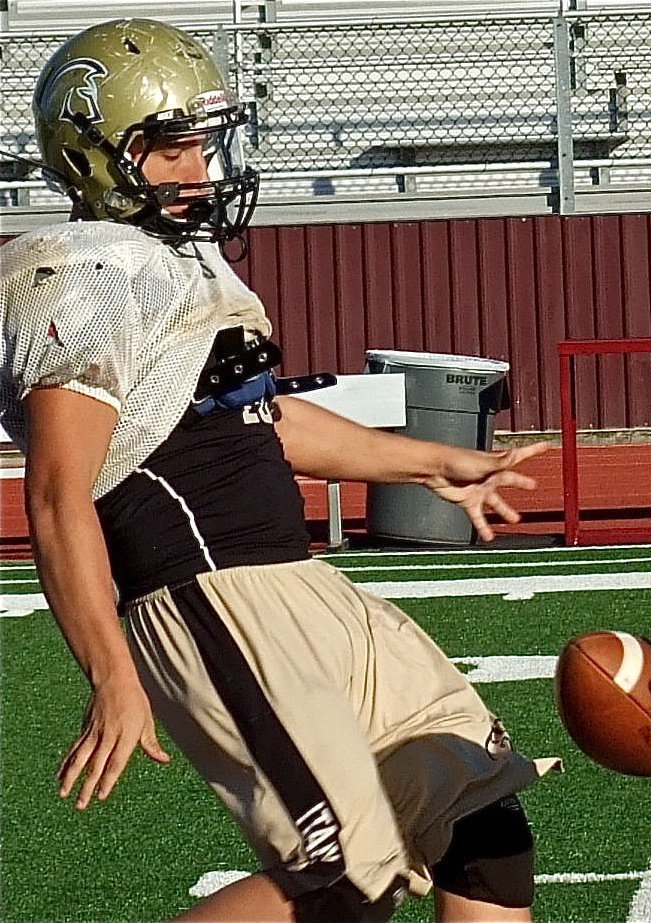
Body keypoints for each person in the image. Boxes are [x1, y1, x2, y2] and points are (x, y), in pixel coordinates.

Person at [0, 19, 560, 923]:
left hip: (302, 582)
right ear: (101, 154)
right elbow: (61, 491)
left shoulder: (178, 265)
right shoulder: (83, 275)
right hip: (215, 593)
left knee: (478, 815)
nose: (201, 168)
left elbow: (262, 422)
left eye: (203, 142)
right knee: (343, 876)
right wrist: (109, 670)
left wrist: (434, 461)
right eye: (171, 145)